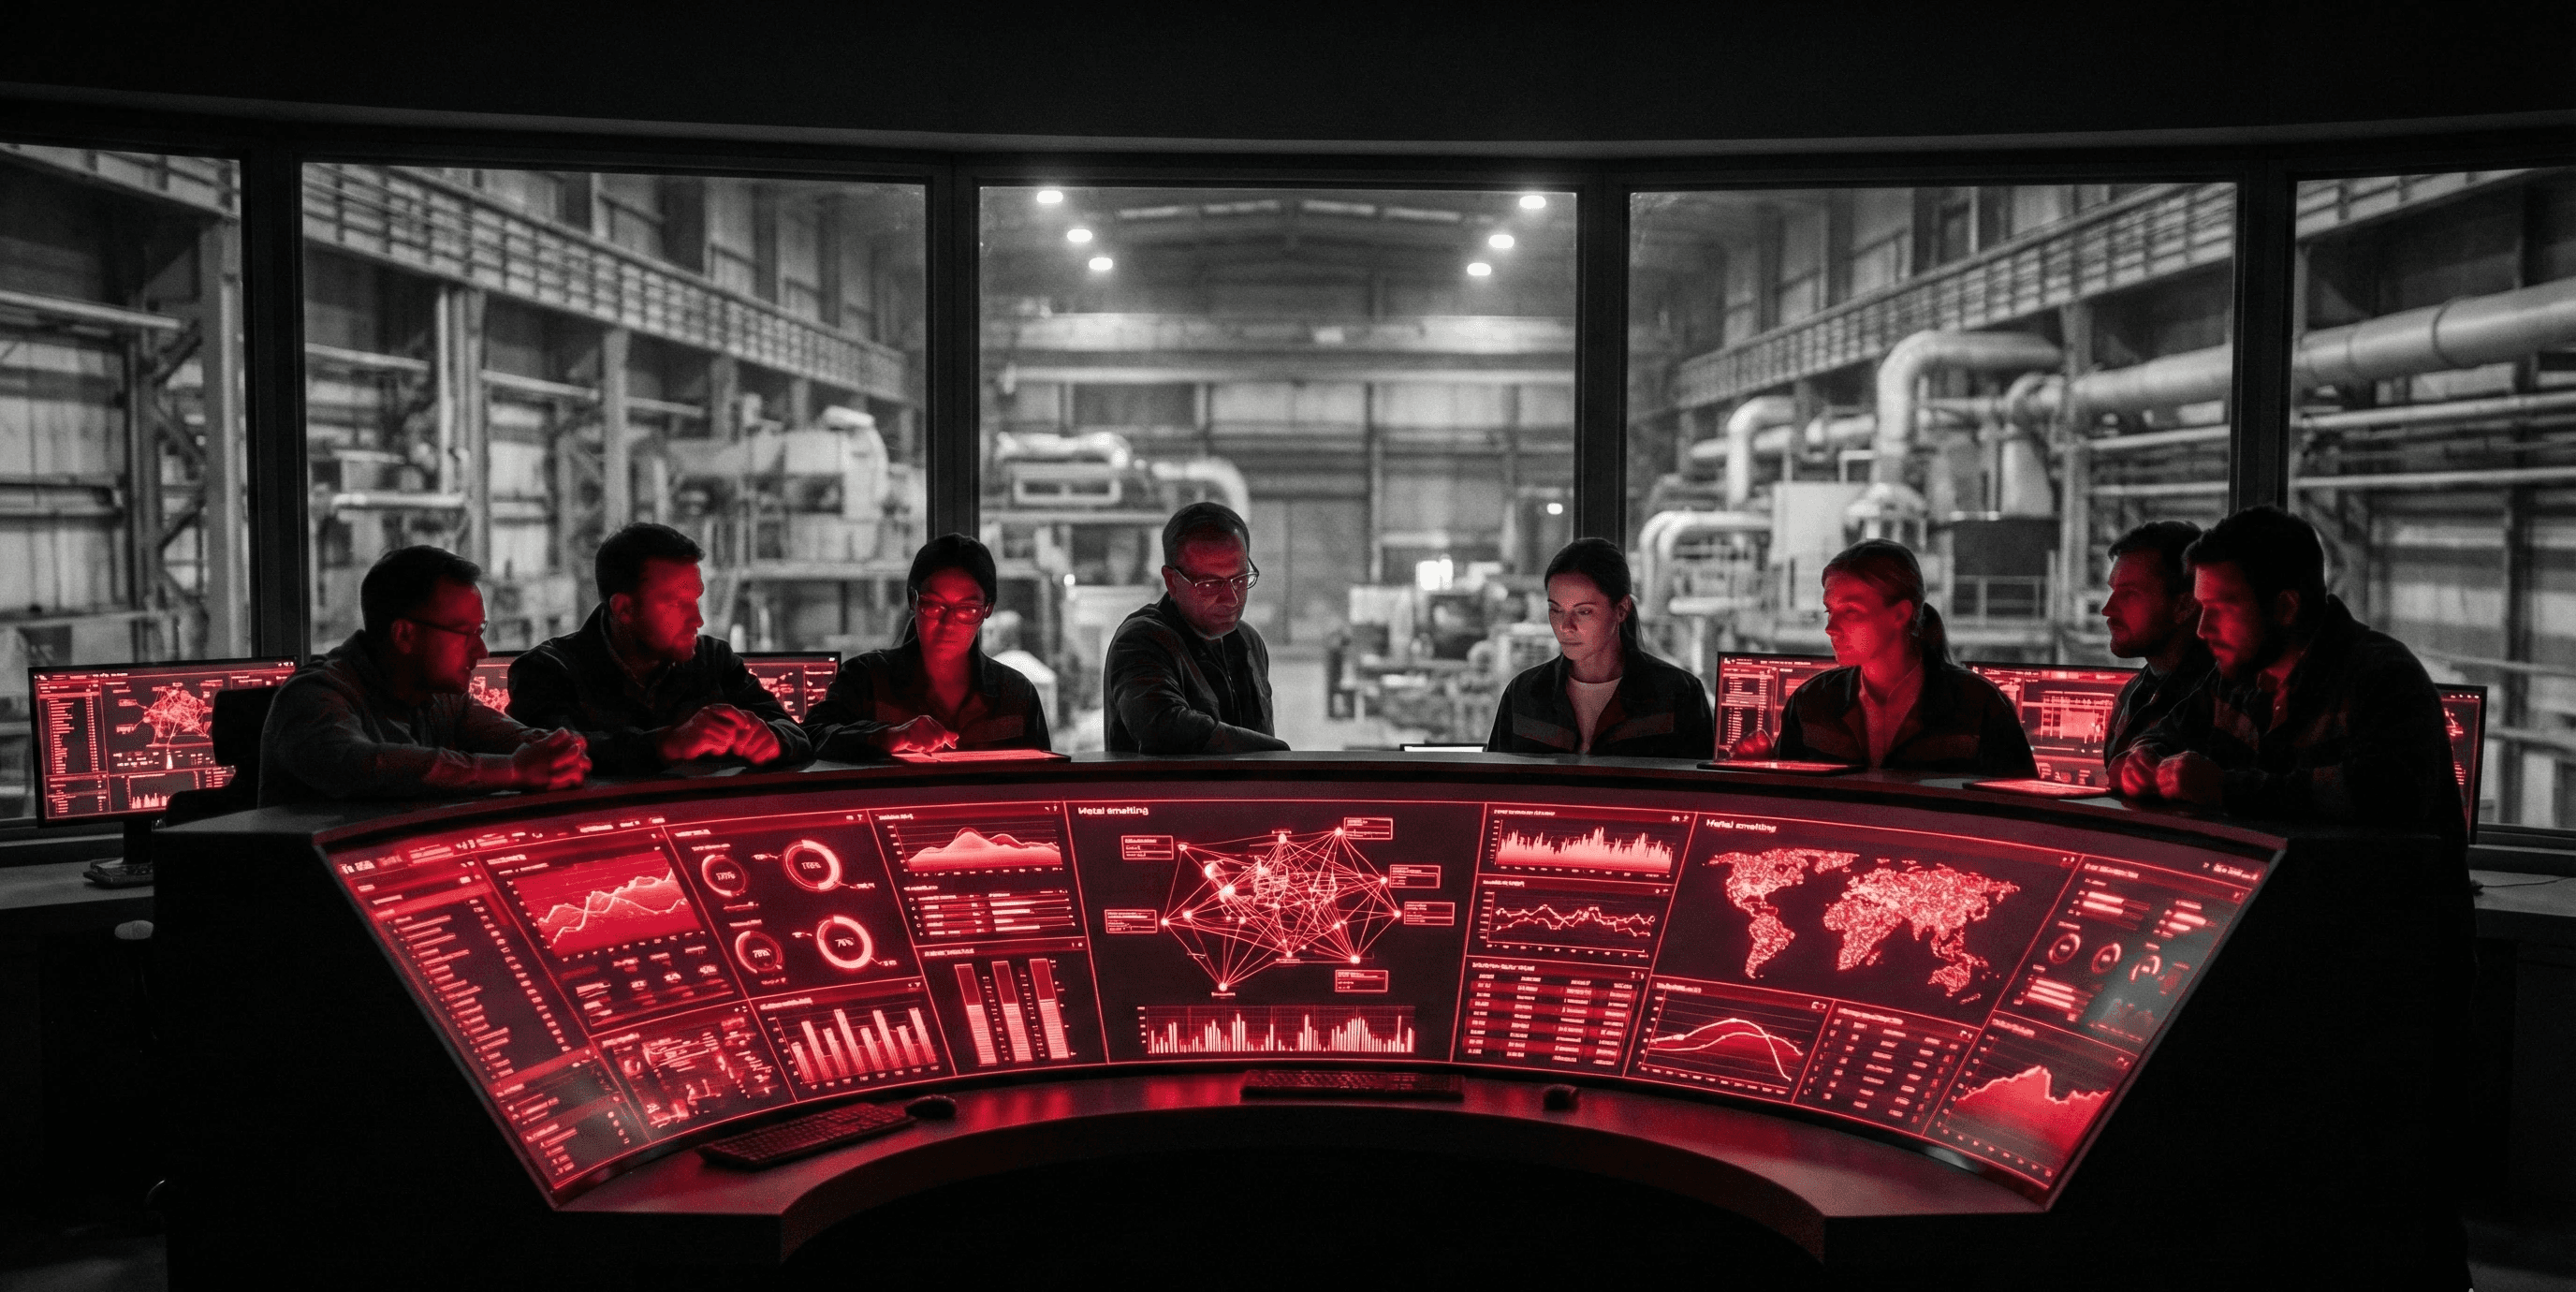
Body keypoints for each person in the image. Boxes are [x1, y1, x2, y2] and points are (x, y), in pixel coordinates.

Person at [2114, 506, 2460, 835]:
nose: (2203, 630)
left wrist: (2225, 788)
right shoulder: (2236, 679)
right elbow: (2167, 734)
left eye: (2220, 609)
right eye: (2202, 609)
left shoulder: (2383, 677)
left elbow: (2384, 792)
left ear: (2284, 607)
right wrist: (2144, 757)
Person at [260, 546, 589, 805]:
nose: (482, 652)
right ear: (405, 635)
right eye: (466, 634)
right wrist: (514, 770)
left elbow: (524, 742)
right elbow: (361, 765)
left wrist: (560, 749)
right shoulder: (313, 696)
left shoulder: (441, 699)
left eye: (481, 631)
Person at [506, 522, 809, 775]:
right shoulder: (547, 670)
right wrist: (667, 745)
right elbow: (557, 752)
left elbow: (795, 732)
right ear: (624, 608)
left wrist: (773, 739)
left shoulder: (714, 659)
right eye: (677, 604)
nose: (698, 620)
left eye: (696, 600)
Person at [1735, 538, 2035, 775]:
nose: (1830, 628)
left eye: (1851, 611)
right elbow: (1789, 808)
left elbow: (2022, 815)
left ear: (1900, 614)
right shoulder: (1811, 703)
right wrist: (1762, 771)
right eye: (1830, 611)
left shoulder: (1980, 708)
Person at [803, 534, 1054, 758]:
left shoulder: (1016, 695)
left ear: (987, 610)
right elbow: (812, 736)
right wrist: (889, 737)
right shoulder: (866, 678)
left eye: (967, 609)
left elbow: (1044, 783)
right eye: (934, 605)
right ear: (913, 600)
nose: (948, 623)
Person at [1485, 537, 1715, 758]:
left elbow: (1701, 793)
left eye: (1583, 611)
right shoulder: (1525, 694)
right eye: (1556, 610)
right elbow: (1496, 786)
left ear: (1621, 609)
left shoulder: (1678, 695)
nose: (1566, 627)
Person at [1104, 501, 1289, 754]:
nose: (1232, 598)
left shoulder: (1249, 640)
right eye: (1210, 584)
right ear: (1172, 581)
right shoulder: (1140, 642)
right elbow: (1163, 727)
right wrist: (1276, 753)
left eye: (1240, 579)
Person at [2100, 520, 2216, 770]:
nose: (2107, 609)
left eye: (2129, 594)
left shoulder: (2222, 702)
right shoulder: (2134, 692)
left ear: (2183, 606)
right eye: (2113, 591)